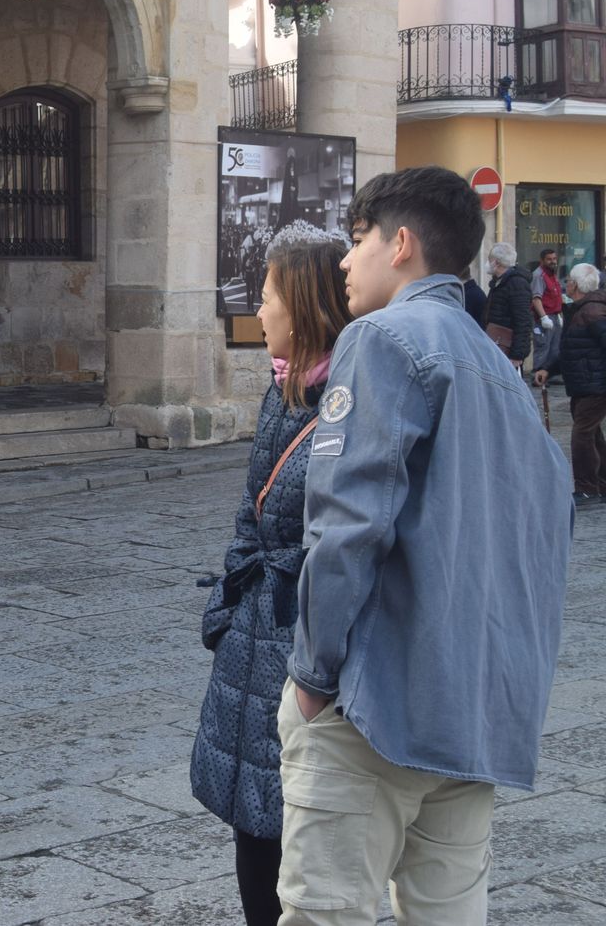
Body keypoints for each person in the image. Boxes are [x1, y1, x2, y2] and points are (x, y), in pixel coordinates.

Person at [281, 167, 571, 924]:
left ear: (400, 243)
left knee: (325, 911)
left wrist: (312, 675)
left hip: (375, 707)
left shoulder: (381, 338)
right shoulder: (505, 378)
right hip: (473, 716)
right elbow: (545, 549)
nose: (344, 262)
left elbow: (347, 523)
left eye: (355, 241)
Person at [191, 227, 352, 926]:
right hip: (252, 637)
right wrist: (228, 612)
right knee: (253, 833)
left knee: (294, 843)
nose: (258, 310)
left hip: (297, 645)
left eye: (268, 295)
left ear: (305, 303)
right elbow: (250, 516)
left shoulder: (347, 403)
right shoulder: (281, 389)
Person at [536, 262, 606, 511]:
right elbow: (569, 348)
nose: (567, 284)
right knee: (592, 434)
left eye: (570, 282)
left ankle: (587, 488)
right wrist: (548, 368)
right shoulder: (582, 310)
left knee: (582, 435)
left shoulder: (592, 311)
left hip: (594, 383)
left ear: (575, 285)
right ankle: (599, 484)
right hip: (585, 382)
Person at [484, 242, 532, 369]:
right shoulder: (499, 282)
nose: (487, 264)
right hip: (496, 343)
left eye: (489, 260)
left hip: (507, 348)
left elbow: (523, 321)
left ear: (497, 262)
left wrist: (517, 355)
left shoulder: (517, 283)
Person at [530, 247, 565, 376]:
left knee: (555, 348)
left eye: (554, 259)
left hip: (555, 315)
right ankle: (537, 374)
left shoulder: (552, 274)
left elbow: (556, 296)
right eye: (549, 259)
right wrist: (543, 317)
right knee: (543, 347)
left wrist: (559, 315)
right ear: (542, 260)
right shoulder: (539, 275)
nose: (553, 261)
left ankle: (550, 374)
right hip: (543, 317)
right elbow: (536, 299)